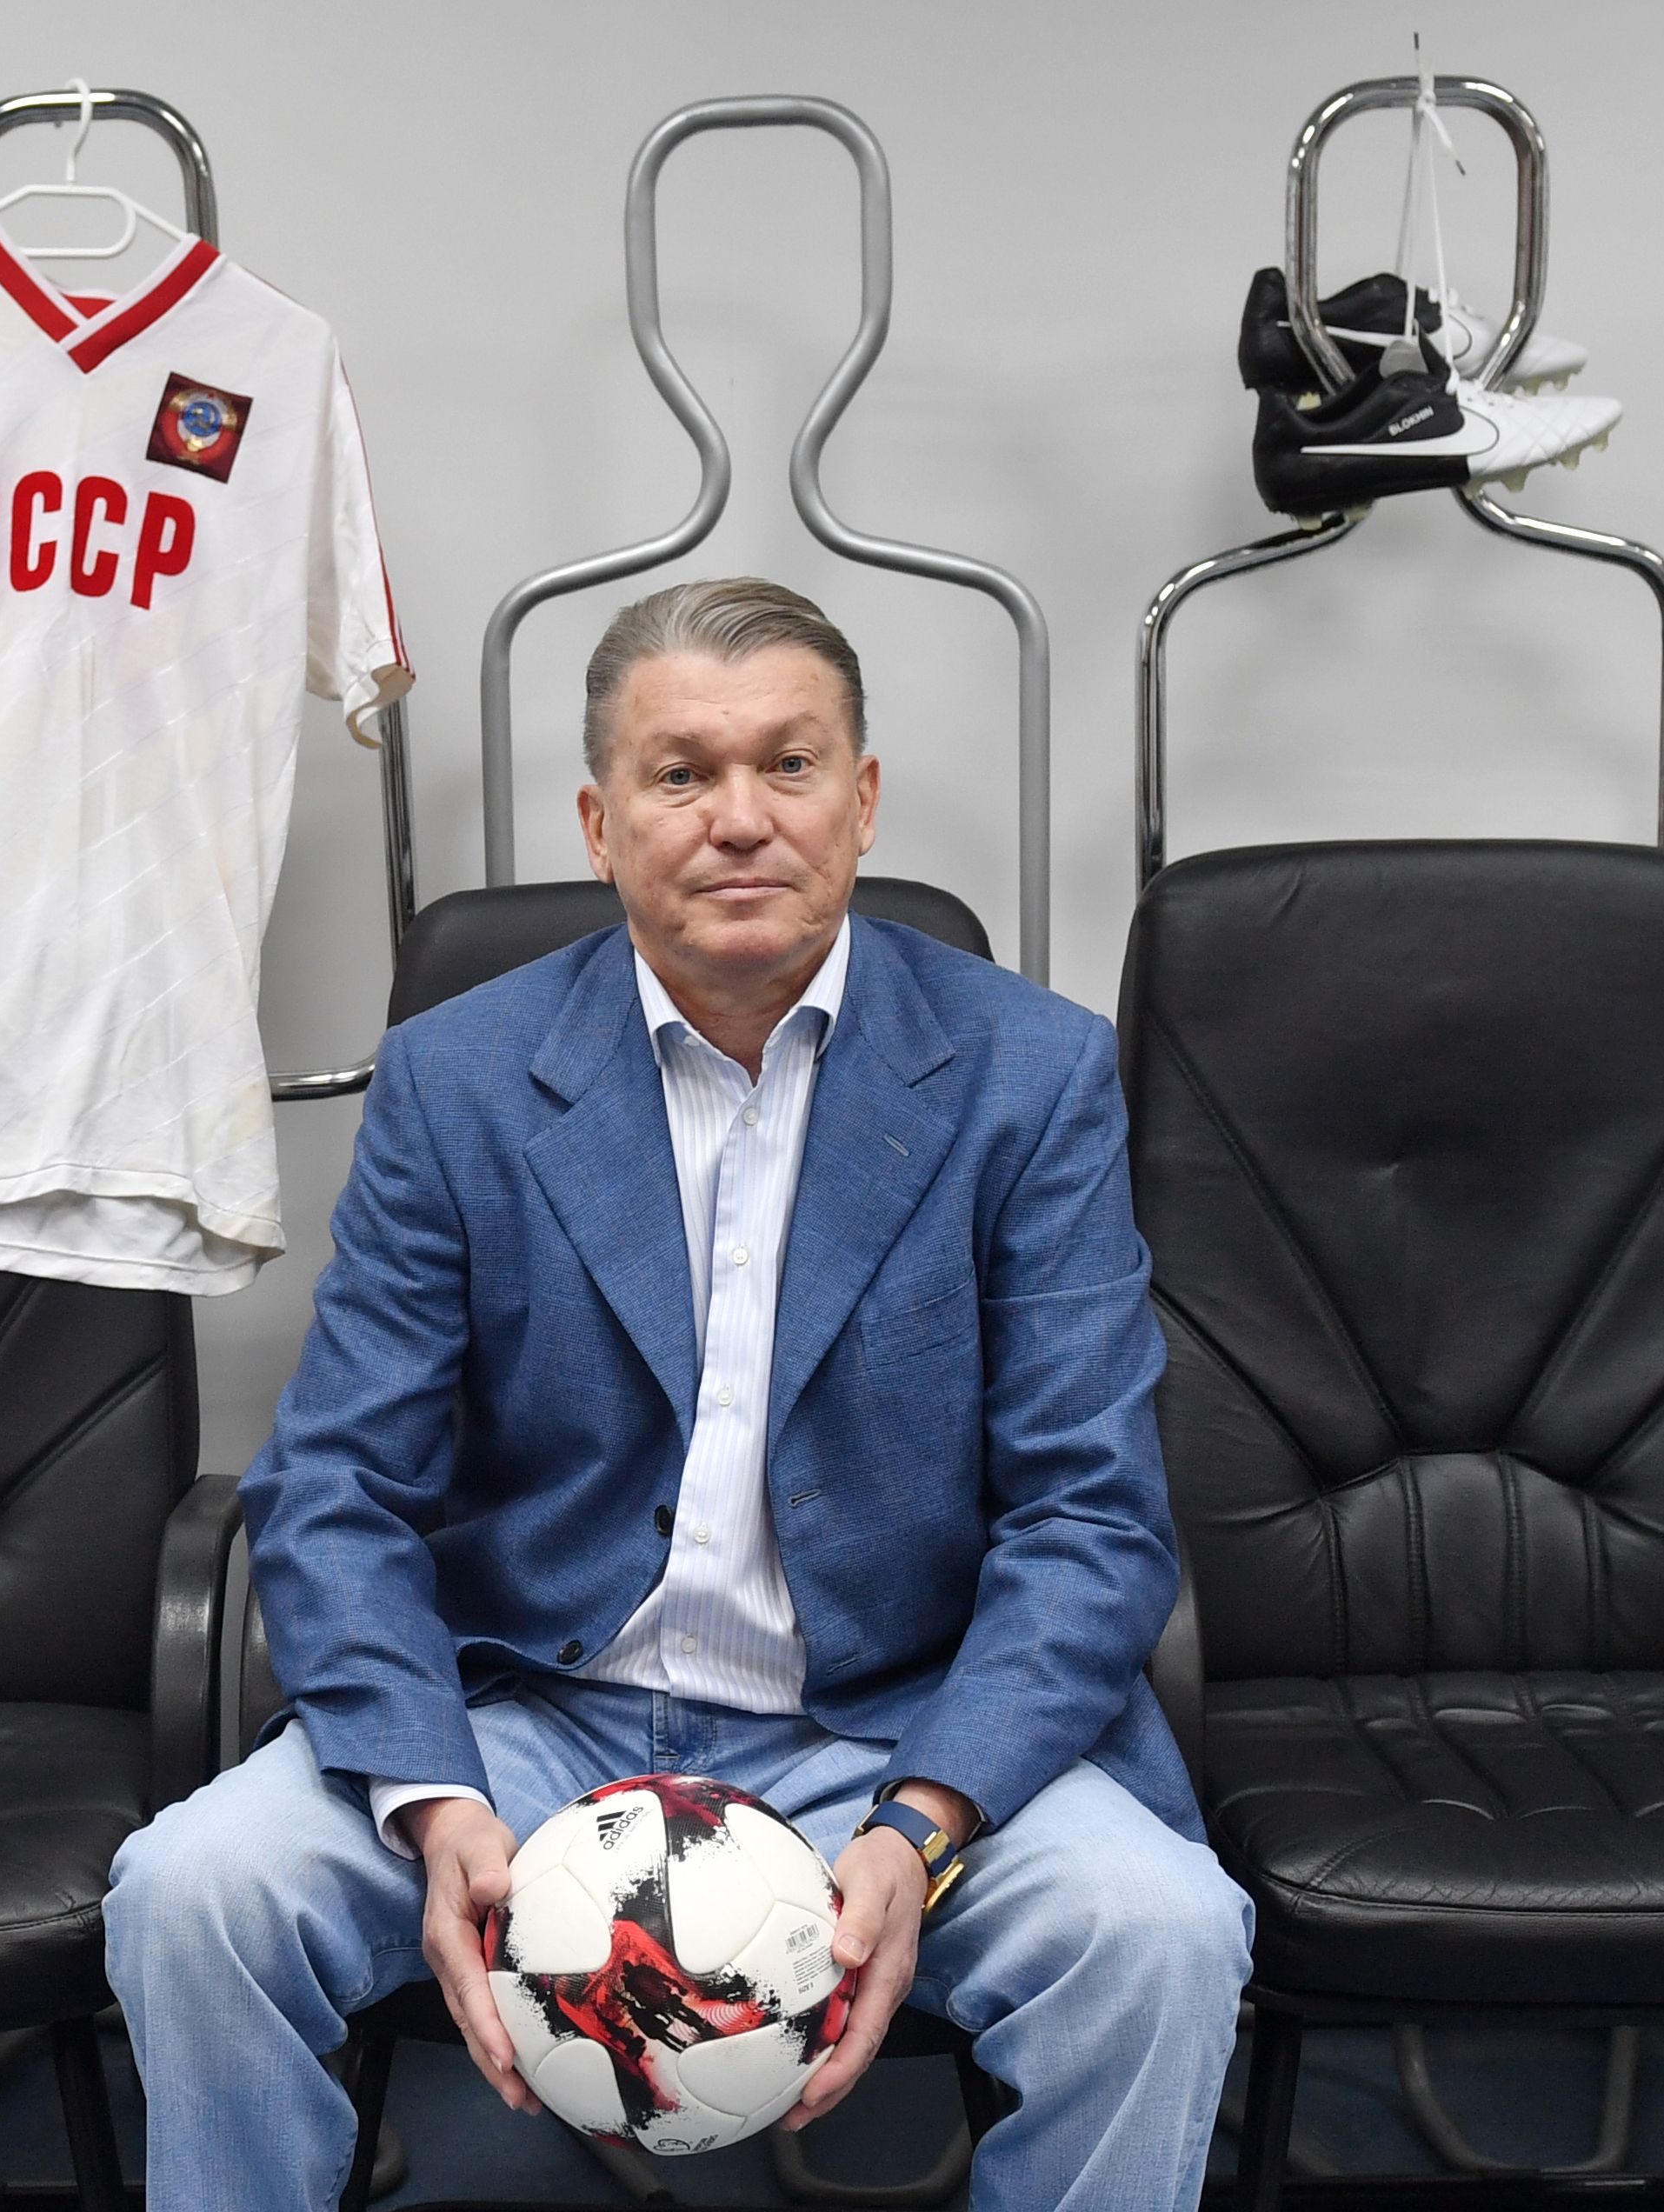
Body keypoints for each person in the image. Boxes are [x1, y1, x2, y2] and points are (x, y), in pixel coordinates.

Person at [105, 576, 1252, 2211]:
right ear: (598, 817)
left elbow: (1093, 1515)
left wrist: (923, 1825)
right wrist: (431, 1800)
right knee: (192, 1892)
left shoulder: (1029, 1075)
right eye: (680, 773)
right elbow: (336, 1488)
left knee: (1160, 1936)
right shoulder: (462, 1078)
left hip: (894, 1733)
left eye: (789, 766)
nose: (739, 820)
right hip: (528, 1724)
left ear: (861, 801)